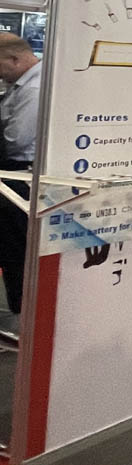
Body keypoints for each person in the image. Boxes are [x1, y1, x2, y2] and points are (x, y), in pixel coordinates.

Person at [0, 34, 40, 342]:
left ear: (14, 59)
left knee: (17, 250)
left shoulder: (35, 89)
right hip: (15, 174)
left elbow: (16, 140)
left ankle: (24, 321)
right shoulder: (21, 85)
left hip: (22, 177)